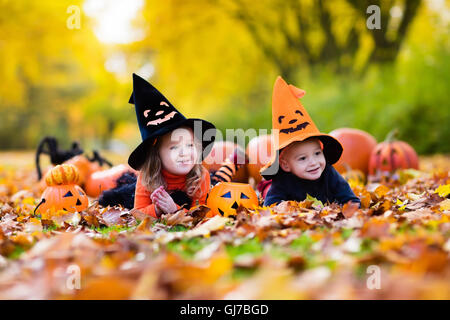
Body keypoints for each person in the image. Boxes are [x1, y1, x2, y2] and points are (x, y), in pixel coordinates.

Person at [260, 76, 360, 207]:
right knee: (268, 189)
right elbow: (270, 206)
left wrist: (346, 210)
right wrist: (290, 211)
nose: (313, 162)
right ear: (285, 165)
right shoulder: (283, 180)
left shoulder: (329, 173)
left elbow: (351, 200)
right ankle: (264, 186)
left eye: (317, 153)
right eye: (302, 158)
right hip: (295, 213)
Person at [128, 73, 216, 217]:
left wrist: (174, 210)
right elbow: (136, 214)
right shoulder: (147, 177)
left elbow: (202, 215)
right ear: (157, 153)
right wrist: (156, 209)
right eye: (174, 147)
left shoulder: (200, 176)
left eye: (190, 145)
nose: (184, 152)